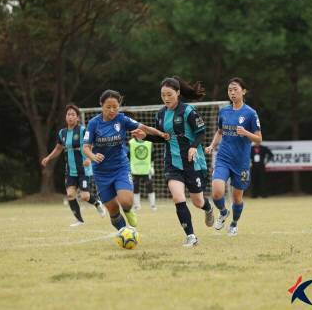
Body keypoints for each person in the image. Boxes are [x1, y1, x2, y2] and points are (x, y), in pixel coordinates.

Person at [133, 76, 214, 247]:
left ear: (177, 93)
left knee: (198, 201)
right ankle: (191, 236)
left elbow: (201, 132)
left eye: (169, 94)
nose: (166, 98)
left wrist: (193, 147)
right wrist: (145, 136)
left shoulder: (188, 111)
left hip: (192, 161)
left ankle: (208, 208)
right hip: (172, 162)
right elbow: (163, 138)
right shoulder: (161, 114)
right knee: (178, 197)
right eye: (163, 95)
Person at [83, 90, 169, 232]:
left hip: (120, 168)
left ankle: (129, 211)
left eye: (115, 107)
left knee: (126, 201)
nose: (112, 110)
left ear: (119, 106)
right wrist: (93, 156)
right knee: (113, 209)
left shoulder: (122, 119)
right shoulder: (93, 123)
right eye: (108, 107)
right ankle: (124, 232)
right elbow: (86, 147)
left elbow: (144, 128)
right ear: (101, 105)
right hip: (101, 172)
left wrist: (161, 133)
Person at [205, 77, 262, 236]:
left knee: (237, 199)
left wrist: (246, 133)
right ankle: (223, 212)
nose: (232, 93)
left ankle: (234, 224)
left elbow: (258, 139)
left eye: (235, 89)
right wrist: (211, 145)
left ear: (243, 91)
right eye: (230, 90)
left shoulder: (250, 113)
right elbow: (220, 131)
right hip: (223, 158)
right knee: (216, 192)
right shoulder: (223, 111)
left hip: (241, 162)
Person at [42, 104, 106, 227]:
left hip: (83, 168)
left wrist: (89, 158)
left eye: (73, 114)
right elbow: (58, 148)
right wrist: (48, 158)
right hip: (70, 170)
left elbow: (90, 144)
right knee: (70, 194)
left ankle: (97, 203)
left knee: (85, 196)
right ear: (65, 117)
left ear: (77, 118)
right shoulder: (62, 133)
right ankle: (79, 220)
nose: (70, 117)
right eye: (68, 114)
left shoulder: (82, 130)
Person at [129, 137, 157, 211]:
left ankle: (153, 205)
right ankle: (137, 206)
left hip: (146, 168)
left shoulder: (149, 142)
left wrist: (152, 166)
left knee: (149, 185)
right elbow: (128, 155)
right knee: (135, 186)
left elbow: (152, 155)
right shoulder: (131, 143)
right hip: (135, 169)